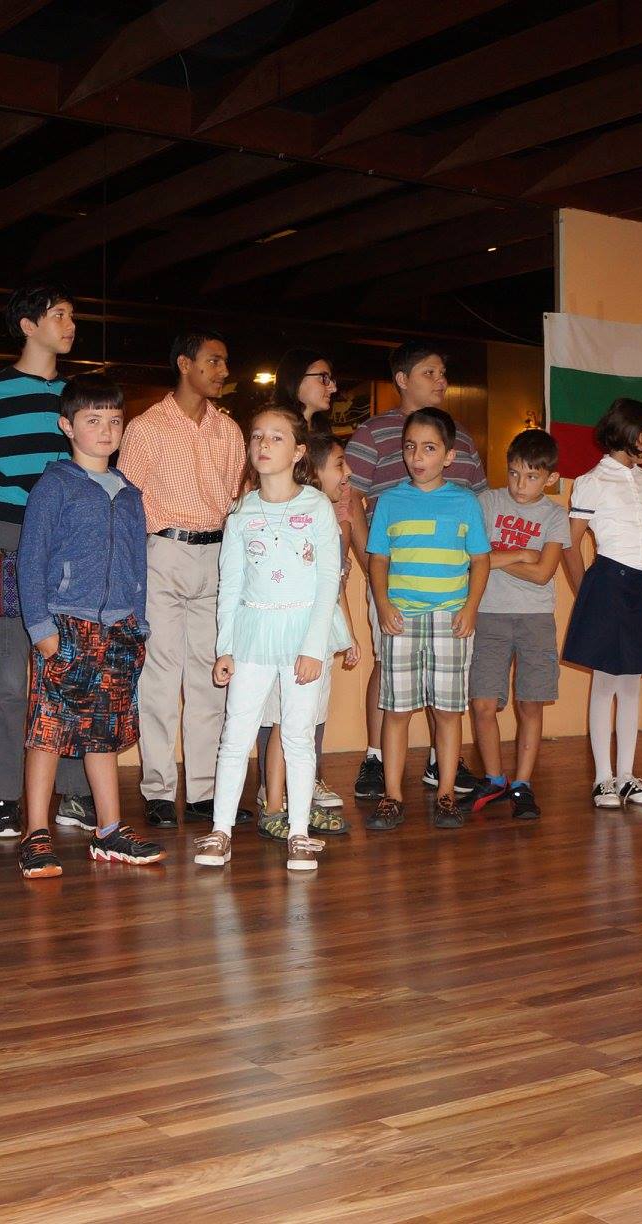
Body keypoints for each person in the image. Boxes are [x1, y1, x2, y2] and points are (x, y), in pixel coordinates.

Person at [15, 375, 165, 878]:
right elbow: (30, 560)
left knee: (105, 732)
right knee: (49, 731)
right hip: (65, 627)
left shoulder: (130, 494)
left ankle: (109, 830)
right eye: (93, 420)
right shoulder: (55, 486)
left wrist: (138, 625)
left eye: (114, 421)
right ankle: (36, 832)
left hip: (119, 631)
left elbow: (138, 565)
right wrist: (42, 629)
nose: (106, 430)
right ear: (67, 426)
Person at [0, 284, 93, 839]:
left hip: (68, 540)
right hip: (8, 537)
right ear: (28, 325)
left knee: (70, 666)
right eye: (59, 315)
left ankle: (74, 792)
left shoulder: (75, 395)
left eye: (71, 315)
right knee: (11, 670)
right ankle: (3, 794)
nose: (70, 324)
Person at [194, 406, 342, 872]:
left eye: (276, 437)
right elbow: (231, 585)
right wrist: (225, 647)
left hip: (302, 635)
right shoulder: (241, 512)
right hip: (252, 634)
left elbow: (327, 583)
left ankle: (298, 832)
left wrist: (314, 648)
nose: (263, 444)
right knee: (236, 733)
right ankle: (220, 831)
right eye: (257, 436)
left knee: (297, 735)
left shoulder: (317, 507)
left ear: (298, 451)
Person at [346, 342, 487, 803]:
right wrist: (373, 569)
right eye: (430, 372)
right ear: (403, 379)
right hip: (394, 582)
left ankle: (440, 765)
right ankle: (376, 759)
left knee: (446, 689)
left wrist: (471, 596)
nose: (441, 380)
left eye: (443, 372)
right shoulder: (372, 433)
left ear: (445, 453)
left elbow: (477, 509)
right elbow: (351, 500)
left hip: (449, 591)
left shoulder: (461, 438)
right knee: (391, 675)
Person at [117, 331, 245, 829]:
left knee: (212, 676)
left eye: (225, 361)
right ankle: (157, 789)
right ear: (185, 364)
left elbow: (233, 502)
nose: (223, 371)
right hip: (163, 551)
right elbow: (127, 507)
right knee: (159, 677)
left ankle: (204, 793)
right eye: (214, 361)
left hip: (217, 553)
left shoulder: (229, 431)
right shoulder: (146, 428)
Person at [365, 407, 491, 831]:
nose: (417, 457)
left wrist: (470, 608)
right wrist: (383, 605)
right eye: (410, 447)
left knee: (448, 711)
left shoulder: (465, 502)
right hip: (401, 618)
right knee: (396, 710)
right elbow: (378, 558)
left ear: (449, 456)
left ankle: (446, 794)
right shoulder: (390, 501)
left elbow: (480, 560)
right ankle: (392, 796)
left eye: (430, 448)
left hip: (450, 620)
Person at [254, 347, 355, 824]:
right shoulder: (277, 449)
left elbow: (336, 562)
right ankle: (273, 792)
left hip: (318, 599)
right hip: (281, 606)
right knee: (279, 708)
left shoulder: (323, 455)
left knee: (309, 703)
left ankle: (302, 781)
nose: (331, 386)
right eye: (323, 377)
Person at [560, 399, 642, 811]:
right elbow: (570, 542)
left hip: (640, 584)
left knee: (632, 684)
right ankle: (603, 778)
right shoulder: (592, 481)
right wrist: (585, 590)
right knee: (604, 683)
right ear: (628, 432)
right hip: (607, 582)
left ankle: (626, 776)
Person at [461, 428, 567, 820]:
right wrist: (522, 552)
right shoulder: (487, 502)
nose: (521, 485)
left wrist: (495, 558)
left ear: (551, 478)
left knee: (530, 703)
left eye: (532, 477)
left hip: (535, 619)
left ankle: (522, 783)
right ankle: (495, 779)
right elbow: (472, 558)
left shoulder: (555, 516)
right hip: (488, 614)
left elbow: (543, 574)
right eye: (514, 474)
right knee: (483, 702)